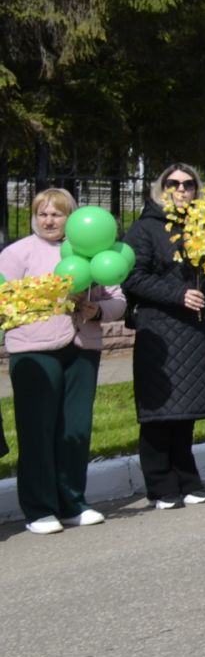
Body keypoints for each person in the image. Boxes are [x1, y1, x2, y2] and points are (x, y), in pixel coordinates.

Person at [1, 189, 126, 533]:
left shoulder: (94, 250)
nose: (49, 220)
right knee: (37, 430)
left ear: (72, 218)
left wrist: (97, 309)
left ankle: (72, 501)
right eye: (43, 213)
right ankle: (39, 507)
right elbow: (4, 300)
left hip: (82, 346)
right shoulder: (17, 253)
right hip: (34, 351)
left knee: (75, 428)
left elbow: (117, 299)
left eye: (57, 214)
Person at [123, 163, 205, 509]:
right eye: (172, 184)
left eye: (188, 184)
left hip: (199, 332)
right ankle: (161, 485)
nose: (181, 189)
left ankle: (187, 478)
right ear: (161, 189)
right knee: (161, 413)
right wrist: (177, 295)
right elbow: (132, 278)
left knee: (186, 412)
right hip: (160, 332)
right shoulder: (145, 229)